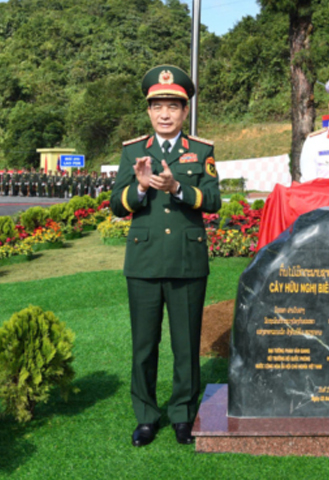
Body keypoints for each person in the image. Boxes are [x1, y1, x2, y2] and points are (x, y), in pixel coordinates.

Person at [110, 64, 221, 448]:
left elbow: (213, 200)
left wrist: (178, 189)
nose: (165, 113)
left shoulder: (201, 150)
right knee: (144, 344)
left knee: (186, 344)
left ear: (185, 110)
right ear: (149, 111)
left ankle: (182, 414)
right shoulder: (133, 151)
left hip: (187, 261)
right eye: (158, 106)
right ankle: (145, 416)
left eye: (173, 106)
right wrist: (139, 188)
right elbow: (116, 205)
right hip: (143, 261)